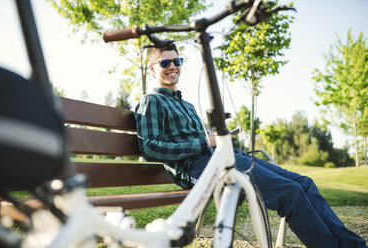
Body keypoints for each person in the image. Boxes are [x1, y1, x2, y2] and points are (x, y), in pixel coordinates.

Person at [134, 43, 367, 248]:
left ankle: (354, 245)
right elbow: (150, 147)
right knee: (290, 193)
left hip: (221, 156)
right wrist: (205, 141)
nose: (172, 66)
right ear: (153, 68)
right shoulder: (152, 101)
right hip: (198, 168)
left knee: (304, 182)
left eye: (177, 60)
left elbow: (201, 139)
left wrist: (217, 138)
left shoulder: (187, 105)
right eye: (165, 62)